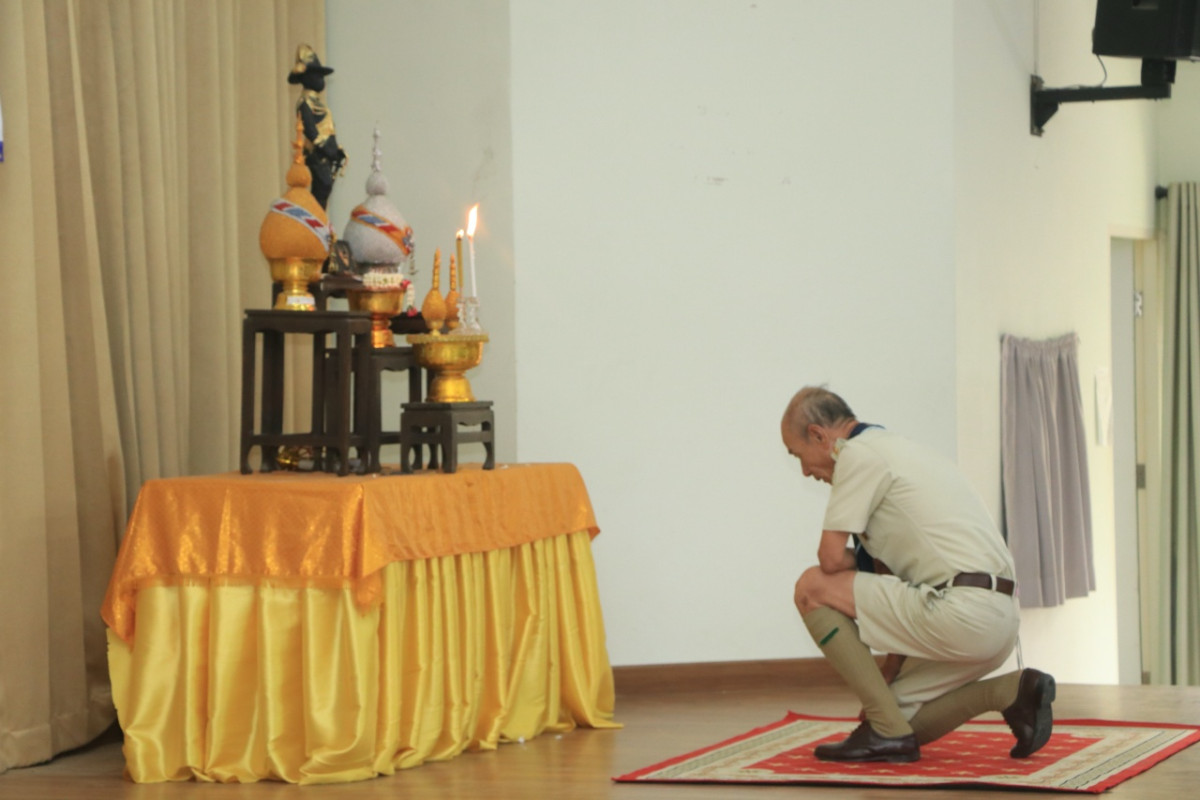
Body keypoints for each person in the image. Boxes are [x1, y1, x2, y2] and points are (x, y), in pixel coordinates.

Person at [781, 385, 1055, 763]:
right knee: (895, 715)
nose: (805, 471)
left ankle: (885, 730)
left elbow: (829, 559)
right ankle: (1011, 690)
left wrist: (851, 564)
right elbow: (895, 580)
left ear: (818, 435)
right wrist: (890, 671)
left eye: (798, 455)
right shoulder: (903, 451)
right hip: (1000, 620)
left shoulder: (857, 455)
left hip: (961, 611)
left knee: (811, 587)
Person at [287, 44, 346, 209]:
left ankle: (319, 219)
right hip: (317, 155)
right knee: (322, 187)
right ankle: (315, 219)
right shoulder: (305, 103)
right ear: (306, 78)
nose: (321, 80)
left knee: (325, 189)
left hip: (326, 157)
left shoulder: (317, 102)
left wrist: (336, 150)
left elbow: (326, 128)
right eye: (316, 75)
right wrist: (323, 146)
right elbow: (309, 128)